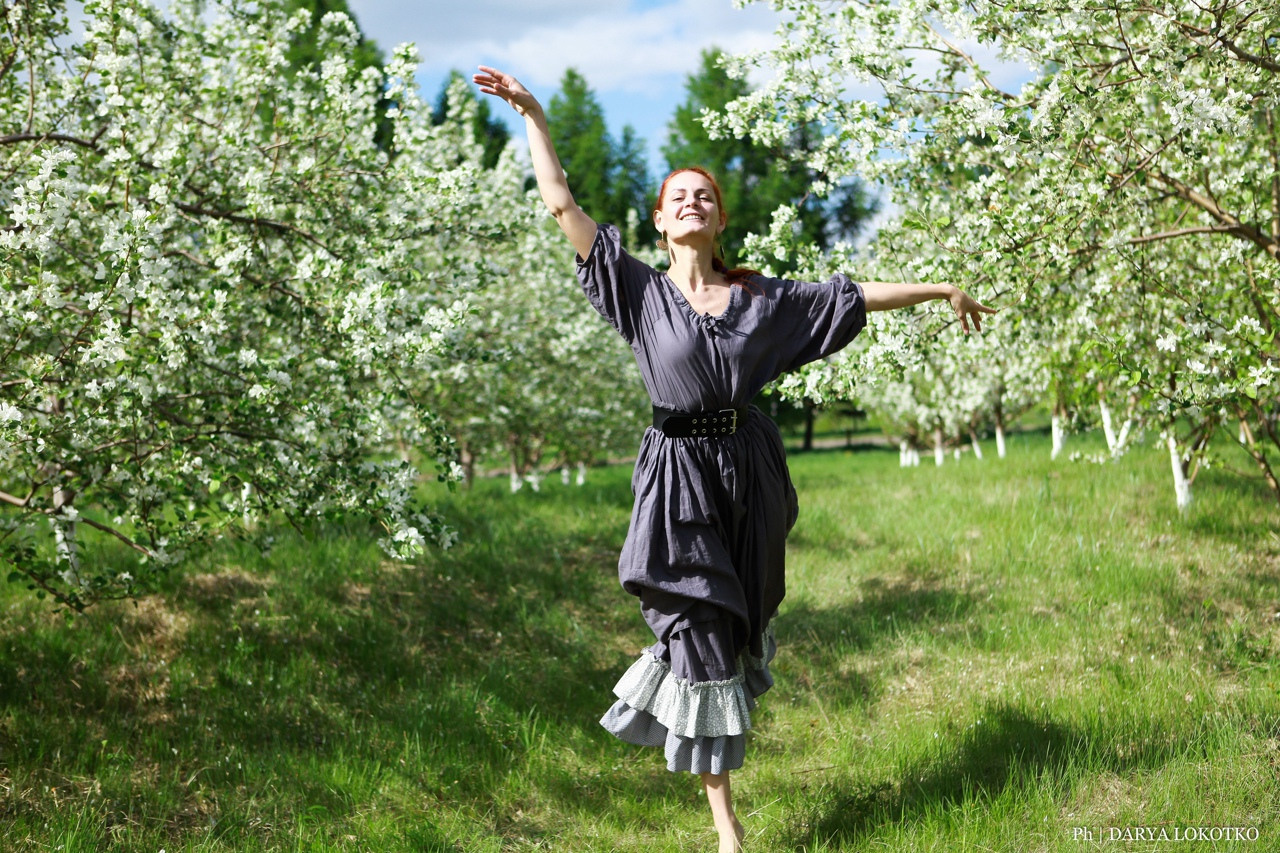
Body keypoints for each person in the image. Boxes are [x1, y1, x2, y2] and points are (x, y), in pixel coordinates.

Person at [474, 65, 994, 853]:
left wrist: (941, 288)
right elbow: (561, 205)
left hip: (748, 478)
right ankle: (727, 828)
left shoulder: (761, 301)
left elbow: (849, 295)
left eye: (705, 196)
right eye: (678, 195)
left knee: (739, 625)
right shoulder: (636, 291)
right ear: (659, 221)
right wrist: (534, 117)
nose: (692, 201)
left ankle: (720, 767)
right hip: (676, 482)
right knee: (700, 630)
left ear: (719, 221)